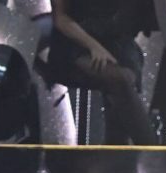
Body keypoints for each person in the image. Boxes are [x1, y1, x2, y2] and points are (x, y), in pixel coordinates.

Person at [48, 0, 155, 145]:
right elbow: (60, 18)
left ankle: (118, 150)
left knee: (123, 85)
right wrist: (94, 46)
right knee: (119, 79)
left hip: (117, 42)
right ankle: (151, 149)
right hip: (75, 43)